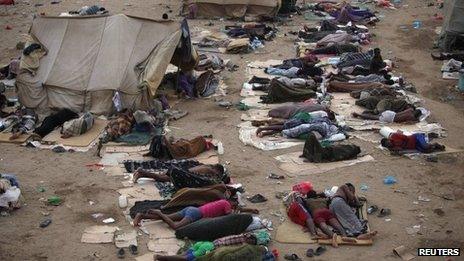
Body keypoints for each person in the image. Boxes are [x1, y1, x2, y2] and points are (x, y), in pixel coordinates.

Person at [132, 199, 259, 229]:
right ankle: (159, 212)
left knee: (166, 218)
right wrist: (237, 213)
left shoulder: (223, 202)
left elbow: (237, 210)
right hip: (195, 214)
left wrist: (250, 210)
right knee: (176, 226)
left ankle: (141, 215)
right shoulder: (226, 205)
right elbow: (230, 216)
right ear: (233, 204)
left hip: (191, 209)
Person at [380, 131, 445, 153]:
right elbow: (401, 150)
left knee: (425, 146)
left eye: (388, 143)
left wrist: (402, 145)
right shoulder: (392, 147)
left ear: (388, 139)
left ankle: (436, 145)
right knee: (426, 151)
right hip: (414, 145)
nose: (389, 145)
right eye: (388, 145)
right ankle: (434, 145)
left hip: (416, 138)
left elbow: (405, 137)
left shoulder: (394, 136)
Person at [352, 108, 422, 123]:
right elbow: (412, 122)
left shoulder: (409, 110)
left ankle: (362, 113)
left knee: (375, 115)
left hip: (390, 113)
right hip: (391, 118)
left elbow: (410, 108)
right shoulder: (412, 117)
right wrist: (418, 120)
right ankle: (359, 115)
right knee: (373, 118)